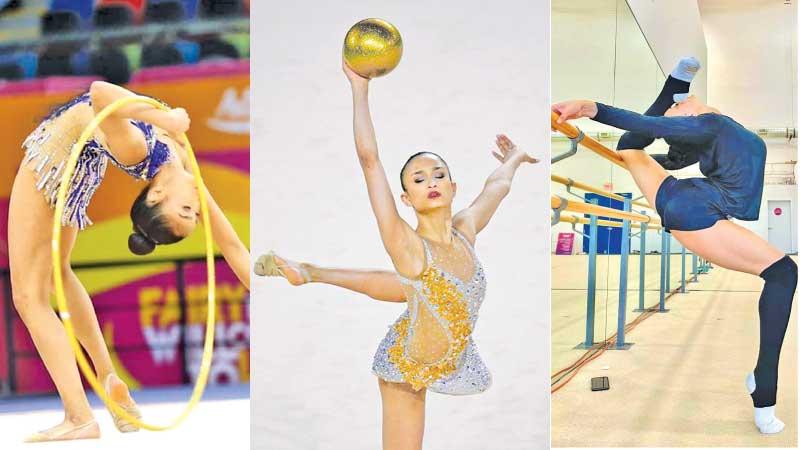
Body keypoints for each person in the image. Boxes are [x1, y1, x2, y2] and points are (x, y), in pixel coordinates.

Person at [255, 60, 536, 450]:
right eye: (418, 180)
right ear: (406, 198)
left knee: (414, 287)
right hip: (406, 365)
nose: (431, 183)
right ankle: (310, 271)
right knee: (414, 281)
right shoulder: (405, 242)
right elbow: (370, 161)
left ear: (453, 187)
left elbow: (497, 188)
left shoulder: (465, 230)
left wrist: (514, 158)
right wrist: (359, 89)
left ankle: (311, 271)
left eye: (438, 175)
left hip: (445, 346)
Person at [552, 57, 797, 435]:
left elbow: (640, 142)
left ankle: (674, 80)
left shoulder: (713, 130)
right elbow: (649, 124)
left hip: (684, 200)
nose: (677, 107)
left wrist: (676, 91)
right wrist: (590, 108)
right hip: (699, 209)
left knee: (630, 150)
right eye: (676, 104)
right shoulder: (711, 124)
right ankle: (763, 389)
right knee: (784, 272)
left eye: (677, 103)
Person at [9, 81, 250, 442]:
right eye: (192, 214)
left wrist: (163, 116)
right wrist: (164, 118)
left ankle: (78, 417)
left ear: (157, 195)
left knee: (28, 298)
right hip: (75, 163)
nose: (197, 207)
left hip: (55, 158)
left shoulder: (138, 150)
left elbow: (98, 94)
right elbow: (231, 243)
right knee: (57, 273)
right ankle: (109, 381)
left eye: (187, 212)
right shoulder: (184, 170)